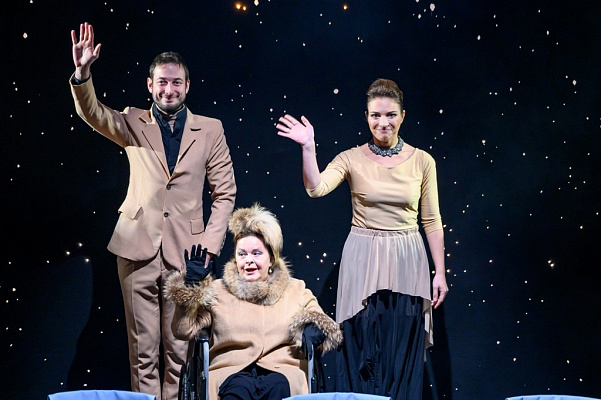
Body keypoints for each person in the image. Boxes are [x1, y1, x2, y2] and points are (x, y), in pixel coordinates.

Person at [69, 22, 237, 400]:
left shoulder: (210, 130)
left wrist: (209, 249)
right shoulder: (132, 120)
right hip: (136, 250)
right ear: (150, 85)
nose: (168, 89)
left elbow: (225, 193)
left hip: (187, 258)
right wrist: (82, 74)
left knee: (179, 353)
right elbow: (93, 113)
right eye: (162, 82)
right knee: (142, 354)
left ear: (187, 86)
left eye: (176, 82)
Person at [276, 78, 449, 400]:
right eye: (376, 115)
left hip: (408, 259)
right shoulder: (351, 158)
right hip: (364, 258)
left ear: (402, 116)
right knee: (362, 350)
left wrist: (439, 272)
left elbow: (431, 220)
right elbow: (316, 188)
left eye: (391, 115)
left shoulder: (423, 161)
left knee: (402, 351)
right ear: (366, 116)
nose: (383, 122)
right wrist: (308, 147)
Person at [165, 204, 343, 400]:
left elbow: (321, 321)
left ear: (271, 258)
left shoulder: (295, 289)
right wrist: (191, 288)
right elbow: (182, 331)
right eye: (242, 254)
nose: (248, 260)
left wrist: (315, 328)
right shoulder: (218, 291)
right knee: (236, 391)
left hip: (281, 370)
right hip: (231, 371)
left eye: (256, 253)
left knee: (278, 388)